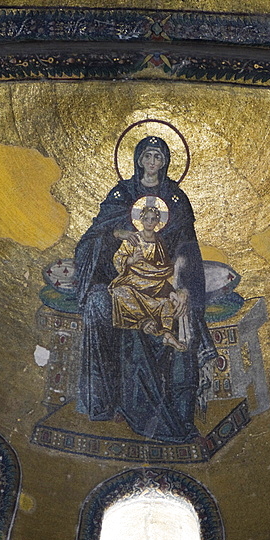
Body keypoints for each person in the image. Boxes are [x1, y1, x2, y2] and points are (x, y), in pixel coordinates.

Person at [73, 135, 216, 444]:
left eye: (159, 157)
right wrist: (118, 231)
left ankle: (179, 413)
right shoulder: (121, 194)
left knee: (182, 317)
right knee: (105, 305)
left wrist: (186, 291)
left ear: (165, 163)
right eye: (148, 156)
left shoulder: (176, 199)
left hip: (163, 282)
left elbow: (187, 251)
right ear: (139, 160)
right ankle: (108, 401)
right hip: (125, 281)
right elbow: (92, 241)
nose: (153, 162)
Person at [109, 202, 186, 351]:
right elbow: (118, 257)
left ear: (158, 222)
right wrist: (131, 260)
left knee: (166, 303)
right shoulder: (133, 238)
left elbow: (165, 268)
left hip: (155, 281)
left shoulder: (159, 241)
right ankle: (143, 321)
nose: (150, 222)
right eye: (146, 219)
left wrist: (173, 289)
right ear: (141, 220)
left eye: (153, 219)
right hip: (134, 280)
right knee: (120, 292)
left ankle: (167, 335)